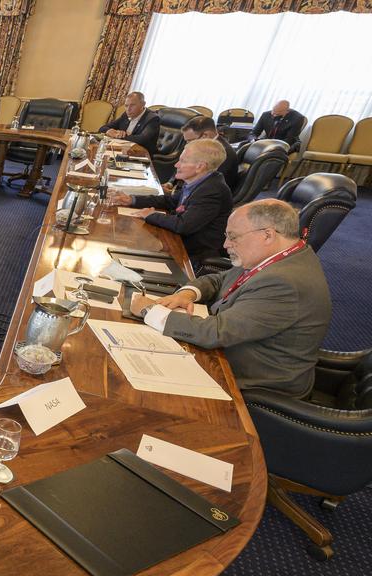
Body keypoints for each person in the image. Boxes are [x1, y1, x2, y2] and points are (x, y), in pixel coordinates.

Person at [129, 199, 330, 398]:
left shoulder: (285, 282)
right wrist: (187, 293)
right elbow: (219, 280)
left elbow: (216, 332)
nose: (225, 244)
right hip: (230, 351)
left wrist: (150, 311)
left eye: (233, 237)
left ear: (267, 235)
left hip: (255, 384)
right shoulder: (278, 256)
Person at [108, 139, 233, 268]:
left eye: (183, 161)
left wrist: (150, 215)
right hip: (176, 240)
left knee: (125, 249)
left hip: (190, 255)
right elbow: (170, 201)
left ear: (200, 166)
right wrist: (132, 199)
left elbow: (183, 225)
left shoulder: (212, 191)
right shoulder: (200, 180)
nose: (176, 165)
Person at [180, 115, 238, 191]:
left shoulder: (224, 153)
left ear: (205, 135)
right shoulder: (203, 146)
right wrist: (171, 184)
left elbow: (207, 183)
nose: (187, 144)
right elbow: (184, 164)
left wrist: (176, 192)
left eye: (190, 140)